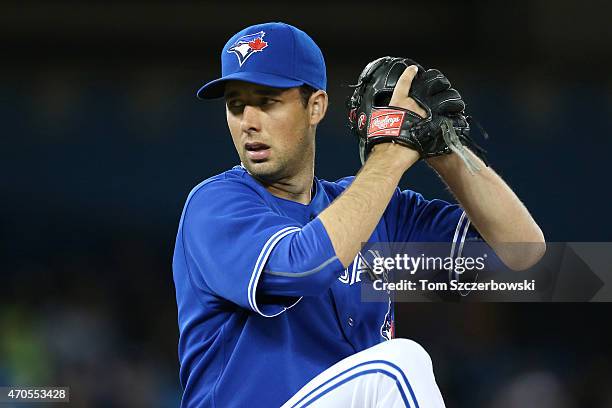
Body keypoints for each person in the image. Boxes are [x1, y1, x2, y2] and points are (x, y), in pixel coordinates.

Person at [172, 22, 545, 407]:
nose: (249, 121)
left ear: (315, 106)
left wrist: (444, 148)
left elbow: (521, 252)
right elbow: (301, 267)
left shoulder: (374, 206)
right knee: (399, 365)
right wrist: (393, 153)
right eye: (236, 105)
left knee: (395, 366)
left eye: (267, 101)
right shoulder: (215, 205)